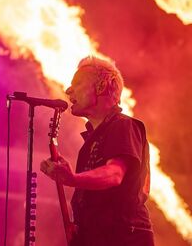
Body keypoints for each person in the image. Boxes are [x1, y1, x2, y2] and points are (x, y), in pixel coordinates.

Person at [40, 56, 154, 246]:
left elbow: (114, 174)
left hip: (123, 238)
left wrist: (72, 179)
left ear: (101, 87)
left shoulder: (123, 126)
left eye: (77, 83)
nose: (69, 90)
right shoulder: (95, 138)